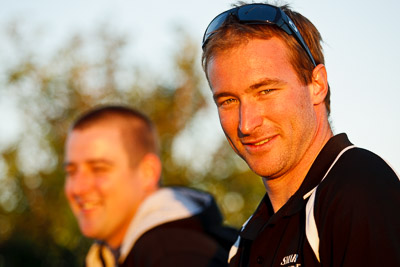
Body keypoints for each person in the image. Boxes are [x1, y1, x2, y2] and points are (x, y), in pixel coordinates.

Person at [201, 2, 400, 266]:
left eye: (265, 91)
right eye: (228, 101)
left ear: (317, 85)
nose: (246, 124)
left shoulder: (358, 187)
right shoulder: (244, 243)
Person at [63, 105, 237, 267]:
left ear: (148, 172)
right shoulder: (119, 255)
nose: (78, 188)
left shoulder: (175, 257)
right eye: (71, 172)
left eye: (98, 169)